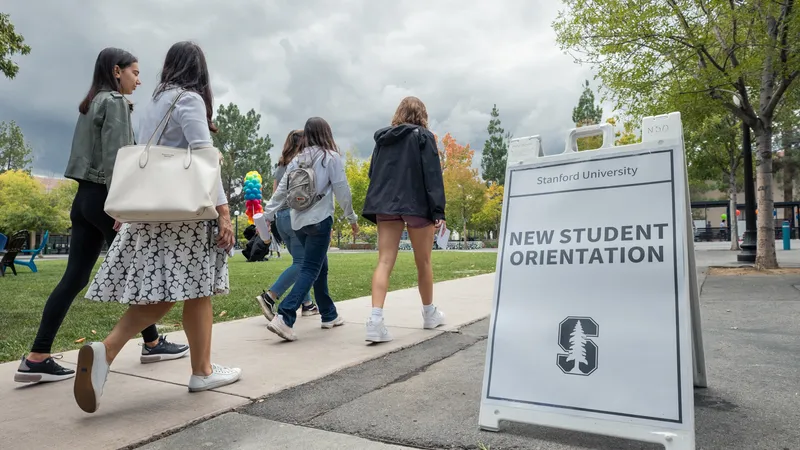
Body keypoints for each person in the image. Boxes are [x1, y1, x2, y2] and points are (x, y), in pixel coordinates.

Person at [73, 41, 241, 414]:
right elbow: (204, 157)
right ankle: (118, 352)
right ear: (199, 70)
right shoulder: (188, 99)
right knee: (187, 290)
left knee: (175, 291)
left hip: (154, 211)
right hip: (187, 214)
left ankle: (196, 369)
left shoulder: (151, 102)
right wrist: (225, 212)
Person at [14, 48, 188, 385]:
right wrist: (121, 205)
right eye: (135, 73)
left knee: (75, 278)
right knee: (140, 270)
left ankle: (37, 356)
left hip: (83, 199)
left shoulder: (91, 103)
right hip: (106, 198)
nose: (139, 80)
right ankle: (152, 344)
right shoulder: (116, 103)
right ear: (117, 70)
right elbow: (118, 158)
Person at [260, 118, 359, 341]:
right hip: (320, 219)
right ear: (326, 133)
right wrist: (351, 217)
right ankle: (284, 316)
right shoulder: (330, 158)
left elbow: (282, 192)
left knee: (319, 267)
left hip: (299, 222)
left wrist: (267, 215)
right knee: (310, 268)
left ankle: (329, 315)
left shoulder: (296, 160)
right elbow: (342, 189)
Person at [361, 96, 446, 343]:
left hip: (386, 204)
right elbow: (432, 175)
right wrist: (438, 211)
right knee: (424, 262)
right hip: (417, 203)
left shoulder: (382, 141)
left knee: (385, 261)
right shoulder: (424, 137)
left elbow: (372, 172)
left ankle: (375, 321)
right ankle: (429, 314)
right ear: (422, 115)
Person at [254, 130, 318, 321]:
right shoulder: (302, 164)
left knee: (298, 261)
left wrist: (268, 217)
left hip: (280, 219)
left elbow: (276, 193)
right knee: (303, 263)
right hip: (295, 216)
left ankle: (307, 304)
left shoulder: (281, 166)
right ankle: (270, 296)